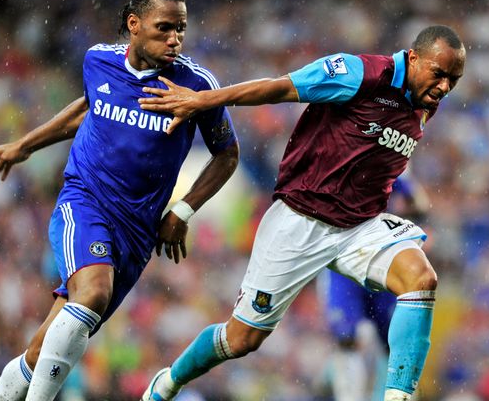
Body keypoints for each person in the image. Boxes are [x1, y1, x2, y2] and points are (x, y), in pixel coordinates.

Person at [139, 25, 466, 401]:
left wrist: (409, 191)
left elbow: (380, 152)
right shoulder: (359, 73)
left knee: (421, 278)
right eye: (438, 74)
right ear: (413, 58)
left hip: (361, 226)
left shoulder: (425, 102)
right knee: (242, 338)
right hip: (299, 219)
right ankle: (168, 383)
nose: (444, 87)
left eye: (453, 80)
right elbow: (280, 87)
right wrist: (203, 101)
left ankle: (399, 396)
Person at [0, 0, 239, 400]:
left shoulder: (197, 86)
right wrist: (23, 146)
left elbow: (227, 155)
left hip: (137, 232)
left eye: (181, 29)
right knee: (94, 291)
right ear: (134, 24)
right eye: (164, 28)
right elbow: (87, 108)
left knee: (43, 348)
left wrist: (184, 210)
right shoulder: (98, 61)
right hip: (86, 201)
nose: (175, 39)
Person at [321, 175, 429, 401]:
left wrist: (406, 211)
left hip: (380, 261)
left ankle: (401, 394)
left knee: (395, 342)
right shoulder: (337, 162)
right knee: (348, 338)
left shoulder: (387, 165)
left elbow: (419, 204)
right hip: (344, 263)